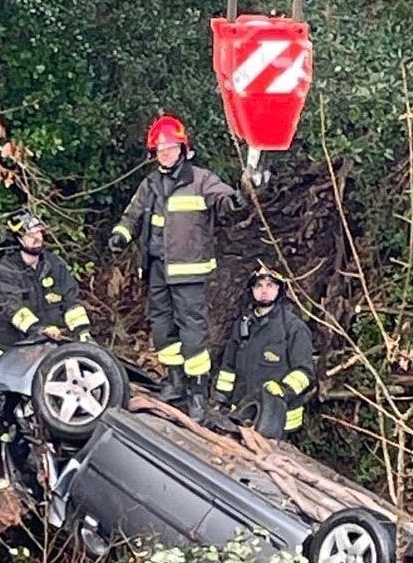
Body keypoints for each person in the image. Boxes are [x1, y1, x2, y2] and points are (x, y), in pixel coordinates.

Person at [107, 114, 244, 421]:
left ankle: (197, 393)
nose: (165, 153)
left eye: (170, 148)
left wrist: (235, 199)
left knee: (193, 333)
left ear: (183, 149)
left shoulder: (200, 179)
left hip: (189, 271)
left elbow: (222, 199)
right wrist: (120, 234)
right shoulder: (150, 184)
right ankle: (175, 381)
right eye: (160, 149)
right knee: (162, 328)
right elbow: (133, 215)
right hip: (157, 269)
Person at [213, 261, 315, 437]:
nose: (264, 290)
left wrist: (283, 390)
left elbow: (305, 372)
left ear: (279, 290)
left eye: (270, 285)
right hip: (241, 416)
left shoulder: (293, 327)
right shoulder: (243, 325)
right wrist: (220, 400)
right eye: (258, 285)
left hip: (278, 422)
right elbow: (228, 368)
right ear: (251, 290)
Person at [0, 211, 91, 362]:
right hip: (11, 351)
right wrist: (40, 329)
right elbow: (13, 308)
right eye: (31, 234)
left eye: (39, 232)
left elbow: (71, 301)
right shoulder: (6, 271)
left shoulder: (55, 264)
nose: (38, 238)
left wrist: (83, 333)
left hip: (48, 349)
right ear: (18, 239)